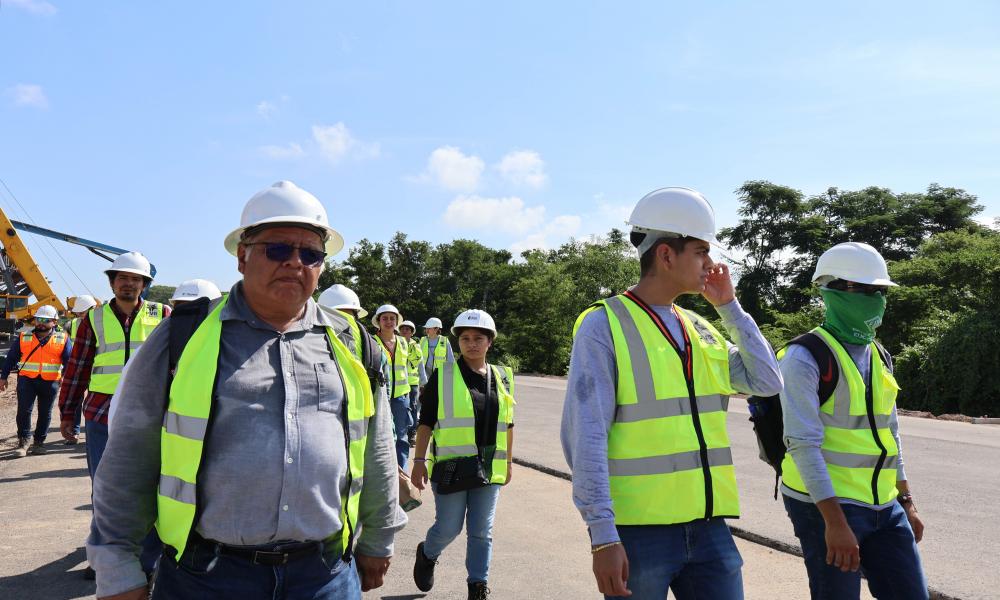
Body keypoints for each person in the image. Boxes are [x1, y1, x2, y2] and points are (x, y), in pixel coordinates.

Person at [86, 180, 406, 600]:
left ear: (322, 266)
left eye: (310, 254)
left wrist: (379, 536)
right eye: (278, 249)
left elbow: (377, 446)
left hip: (324, 574)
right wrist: (117, 564)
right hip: (208, 576)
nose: (295, 263)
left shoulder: (351, 342)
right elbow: (129, 455)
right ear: (242, 255)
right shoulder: (184, 335)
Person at [561, 187, 783, 600]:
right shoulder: (603, 325)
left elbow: (768, 380)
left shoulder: (699, 327)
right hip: (639, 534)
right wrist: (603, 536)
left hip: (710, 529)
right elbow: (585, 437)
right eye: (700, 251)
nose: (710, 264)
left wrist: (731, 308)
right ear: (666, 255)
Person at [779, 242, 927, 599]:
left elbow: (890, 433)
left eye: (879, 291)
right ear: (831, 290)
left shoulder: (880, 354)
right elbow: (802, 443)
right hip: (826, 508)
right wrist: (834, 522)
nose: (875, 299)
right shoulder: (803, 357)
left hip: (884, 505)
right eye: (863, 290)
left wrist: (906, 500)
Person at [58, 251, 169, 580]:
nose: (129, 284)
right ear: (112, 282)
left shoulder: (163, 314)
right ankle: (106, 558)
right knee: (105, 487)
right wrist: (68, 414)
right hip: (102, 412)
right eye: (122, 278)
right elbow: (77, 370)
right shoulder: (93, 319)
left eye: (136, 279)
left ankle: (148, 561)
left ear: (144, 284)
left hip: (149, 412)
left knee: (150, 484)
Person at [410, 309, 515, 600]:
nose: (471, 343)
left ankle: (477, 587)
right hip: (452, 467)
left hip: (488, 470)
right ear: (457, 341)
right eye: (465, 338)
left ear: (489, 342)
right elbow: (426, 423)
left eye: (478, 338)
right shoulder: (442, 377)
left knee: (482, 531)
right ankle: (427, 553)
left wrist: (507, 464)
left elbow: (508, 423)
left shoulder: (502, 377)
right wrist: (419, 462)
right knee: (448, 528)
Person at [1, 304, 70, 457]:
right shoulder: (24, 337)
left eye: (45, 320)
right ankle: (23, 442)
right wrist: (3, 377)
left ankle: (39, 443)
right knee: (24, 411)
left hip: (50, 382)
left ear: (54, 322)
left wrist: (66, 378)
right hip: (27, 380)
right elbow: (11, 358)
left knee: (45, 413)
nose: (40, 322)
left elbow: (69, 362)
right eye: (38, 319)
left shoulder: (62, 339)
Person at [372, 304, 414, 469]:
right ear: (379, 321)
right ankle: (384, 471)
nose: (389, 322)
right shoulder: (372, 341)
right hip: (380, 397)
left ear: (397, 321)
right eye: (385, 318)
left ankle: (401, 472)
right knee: (381, 436)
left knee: (402, 437)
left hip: (401, 397)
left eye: (392, 318)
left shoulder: (404, 342)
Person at [64, 294, 98, 443]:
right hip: (79, 366)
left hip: (97, 369)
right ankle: (74, 431)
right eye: (78, 313)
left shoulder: (101, 322)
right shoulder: (73, 324)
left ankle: (93, 433)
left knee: (93, 403)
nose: (80, 316)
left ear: (93, 308)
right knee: (76, 399)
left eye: (82, 313)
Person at [398, 319, 427, 445]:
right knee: (401, 408)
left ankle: (412, 433)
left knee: (413, 407)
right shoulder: (395, 343)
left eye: (407, 329)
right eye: (403, 329)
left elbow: (419, 364)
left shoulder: (416, 346)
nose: (405, 331)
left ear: (412, 332)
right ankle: (401, 433)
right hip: (398, 383)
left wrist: (424, 381)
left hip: (413, 383)